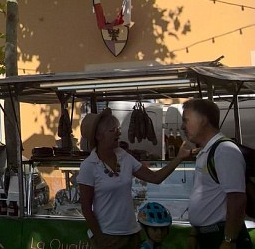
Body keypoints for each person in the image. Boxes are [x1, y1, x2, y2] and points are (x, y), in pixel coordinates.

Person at [78, 108, 190, 249]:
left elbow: (155, 178)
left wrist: (179, 158)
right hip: (108, 235)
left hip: (132, 233)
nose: (118, 133)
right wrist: (100, 238)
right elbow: (86, 208)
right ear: (98, 136)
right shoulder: (89, 166)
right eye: (112, 130)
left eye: (117, 129)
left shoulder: (124, 156)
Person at [182, 98, 252, 249]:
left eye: (186, 120)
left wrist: (229, 240)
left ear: (203, 120)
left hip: (221, 236)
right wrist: (195, 233)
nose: (183, 126)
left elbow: (237, 198)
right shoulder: (205, 152)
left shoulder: (224, 150)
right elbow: (204, 196)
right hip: (208, 236)